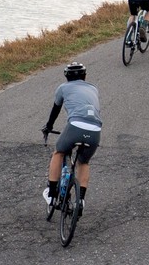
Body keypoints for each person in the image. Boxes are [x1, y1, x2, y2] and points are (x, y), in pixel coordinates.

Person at [42, 61, 104, 210]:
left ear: (66, 76)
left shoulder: (63, 88)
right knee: (83, 162)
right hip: (95, 129)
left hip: (75, 126)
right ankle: (80, 201)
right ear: (85, 76)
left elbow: (55, 110)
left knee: (59, 152)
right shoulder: (93, 88)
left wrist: (48, 127)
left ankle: (51, 194)